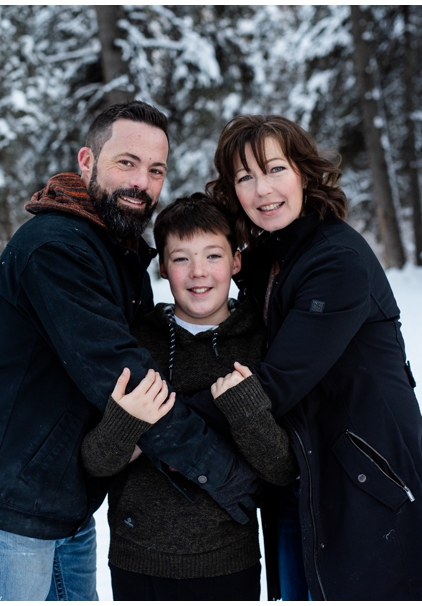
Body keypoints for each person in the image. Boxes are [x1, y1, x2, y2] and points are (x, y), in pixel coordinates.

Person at [0, 102, 261, 601]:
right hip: (8, 502)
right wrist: (225, 473)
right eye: (126, 162)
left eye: (155, 170)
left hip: (64, 500)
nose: (141, 182)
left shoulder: (116, 250)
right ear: (87, 161)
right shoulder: (56, 249)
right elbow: (126, 377)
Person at [208, 114, 422, 599]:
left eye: (275, 169)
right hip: (303, 477)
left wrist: (163, 418)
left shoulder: (336, 260)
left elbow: (274, 384)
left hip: (369, 484)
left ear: (303, 173)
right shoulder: (269, 258)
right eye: (245, 177)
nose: (263, 190)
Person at [79, 193, 296, 600]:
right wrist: (130, 424)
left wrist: (244, 411)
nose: (198, 272)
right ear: (162, 267)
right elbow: (96, 462)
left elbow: (282, 470)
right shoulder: (134, 342)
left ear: (236, 261)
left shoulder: (263, 342)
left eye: (213, 256)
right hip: (137, 561)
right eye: (181, 259)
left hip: (229, 563)